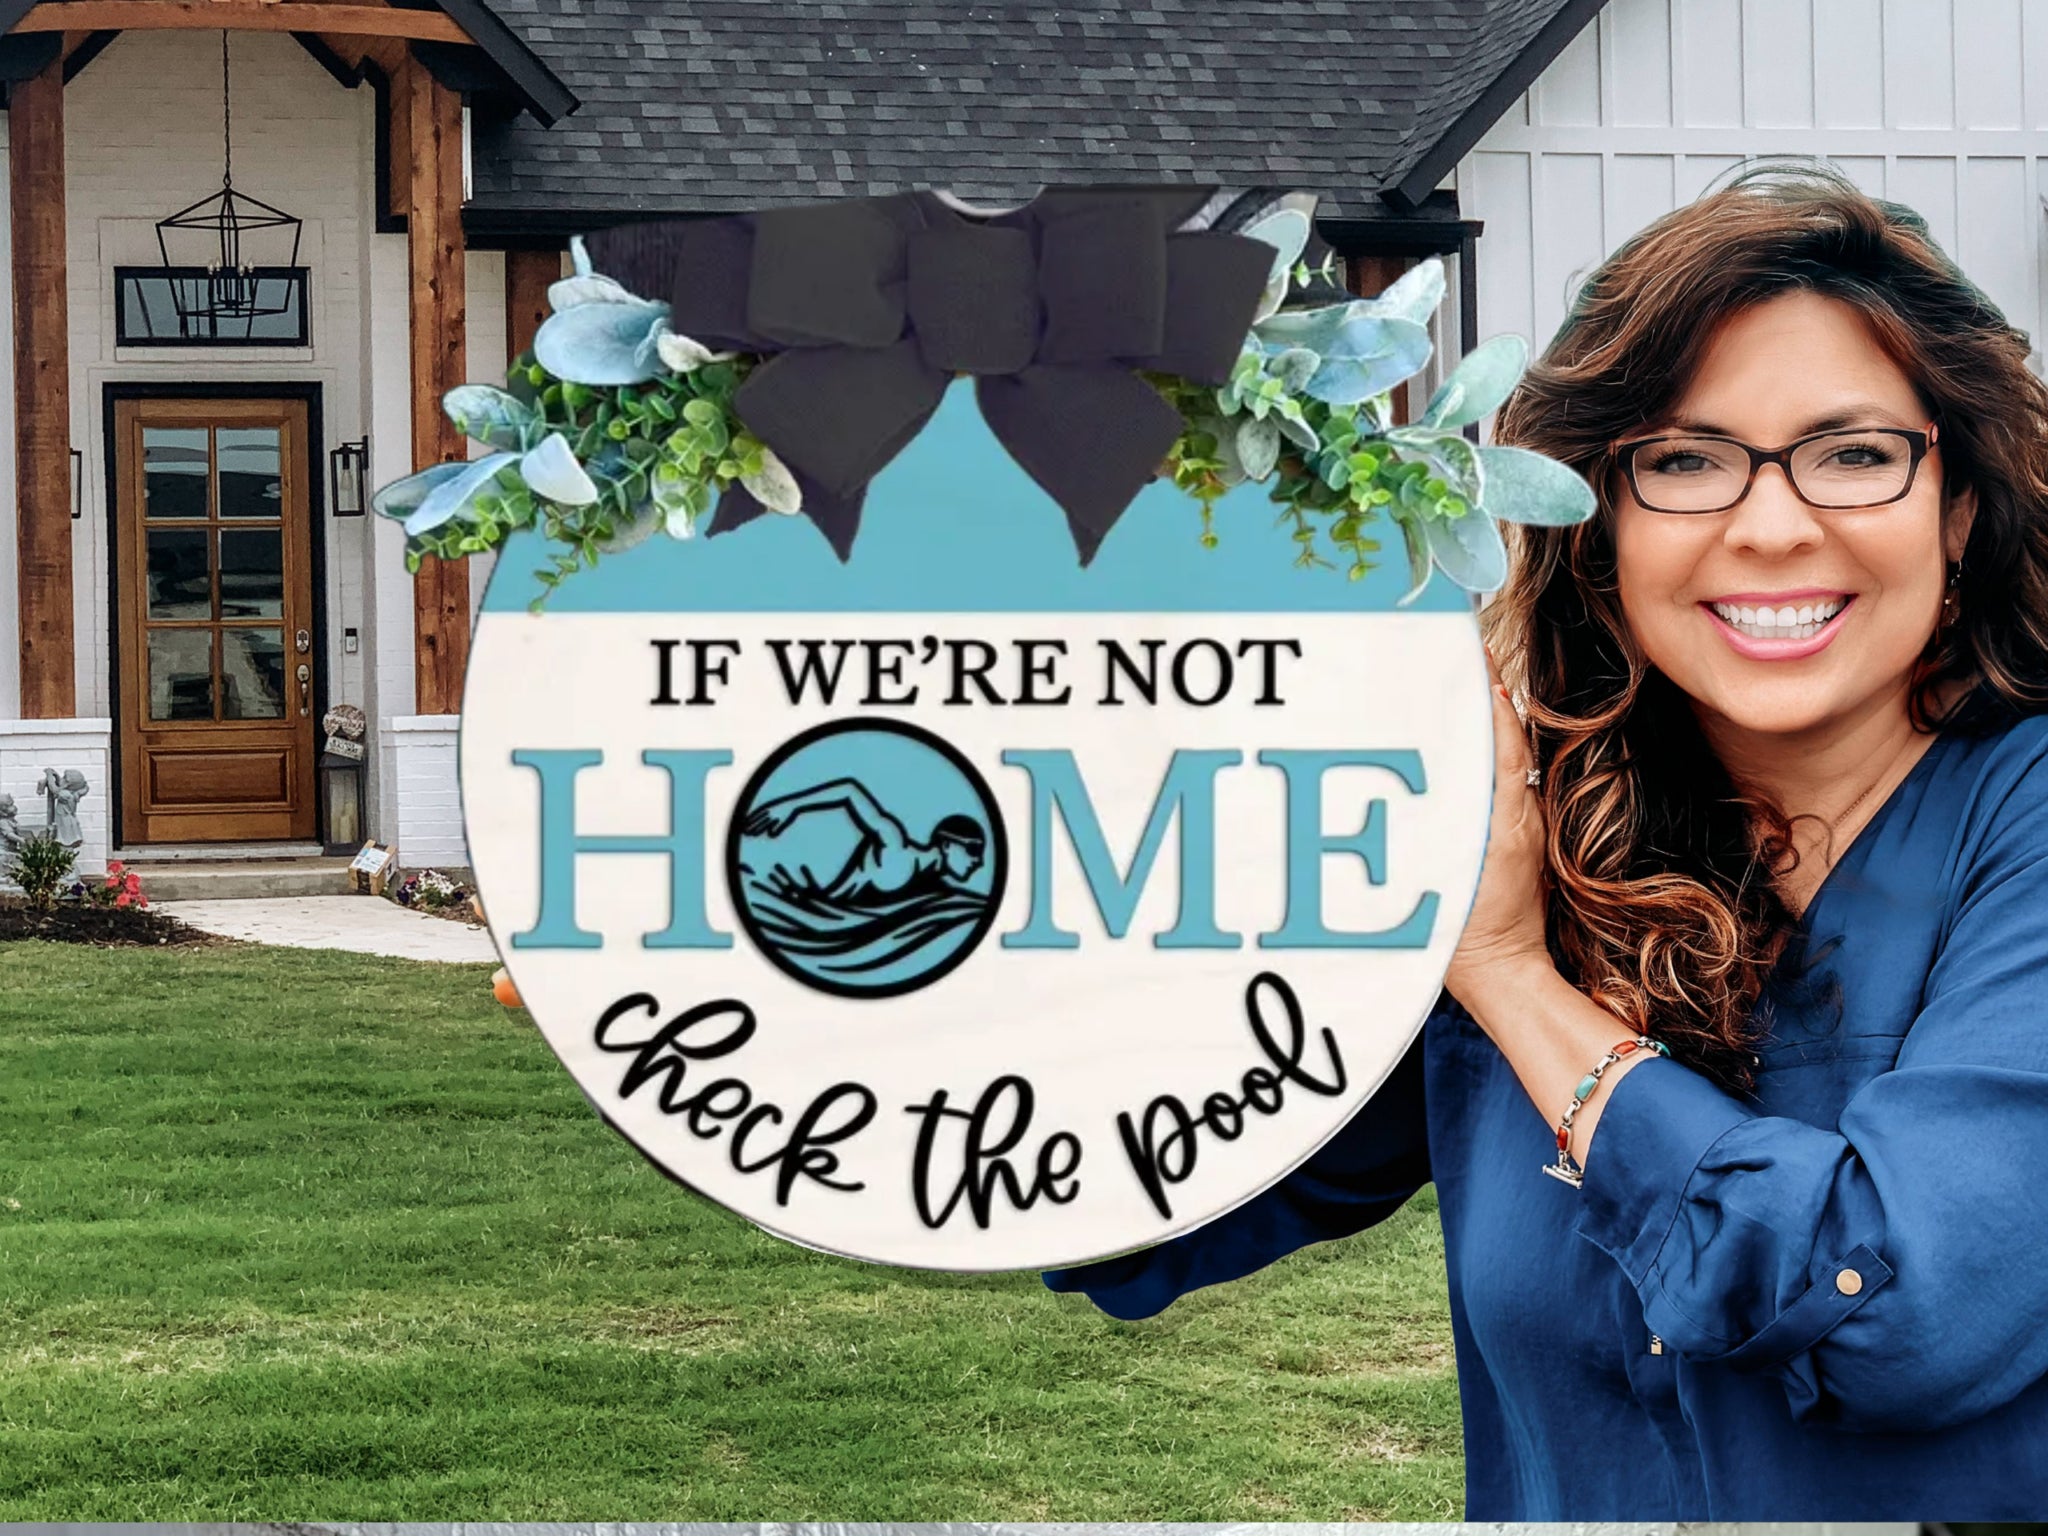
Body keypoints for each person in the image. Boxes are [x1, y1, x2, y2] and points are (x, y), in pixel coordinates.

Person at [1046, 162, 2048, 1520]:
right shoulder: (1529, 827)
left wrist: (1517, 982)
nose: (1769, 526)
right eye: (1684, 461)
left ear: (1961, 504)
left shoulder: (2017, 826)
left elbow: (1902, 1311)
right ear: (1601, 525)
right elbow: (1138, 1180)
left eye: (1854, 453)